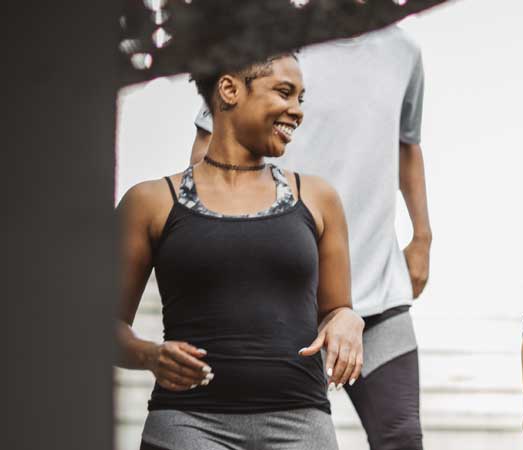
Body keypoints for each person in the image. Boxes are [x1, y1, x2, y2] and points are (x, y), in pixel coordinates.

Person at [190, 25, 430, 450]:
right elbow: (209, 146)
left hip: (376, 289)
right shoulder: (271, 43)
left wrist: (422, 237)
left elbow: (406, 145)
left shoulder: (403, 52)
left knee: (402, 437)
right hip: (276, 298)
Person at [116, 52, 364, 450]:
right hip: (187, 425)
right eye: (284, 92)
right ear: (230, 89)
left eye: (301, 98)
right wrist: (149, 355)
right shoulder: (150, 202)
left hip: (301, 425)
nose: (297, 111)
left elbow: (336, 309)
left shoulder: (318, 197)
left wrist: (348, 317)